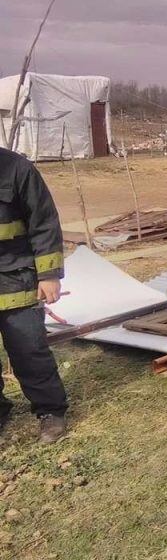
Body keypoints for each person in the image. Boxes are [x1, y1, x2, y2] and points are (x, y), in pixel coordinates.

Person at [0, 146, 68, 443]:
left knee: (29, 350)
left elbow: (44, 222)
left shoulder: (17, 169)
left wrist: (49, 275)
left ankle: (50, 410)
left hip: (17, 279)